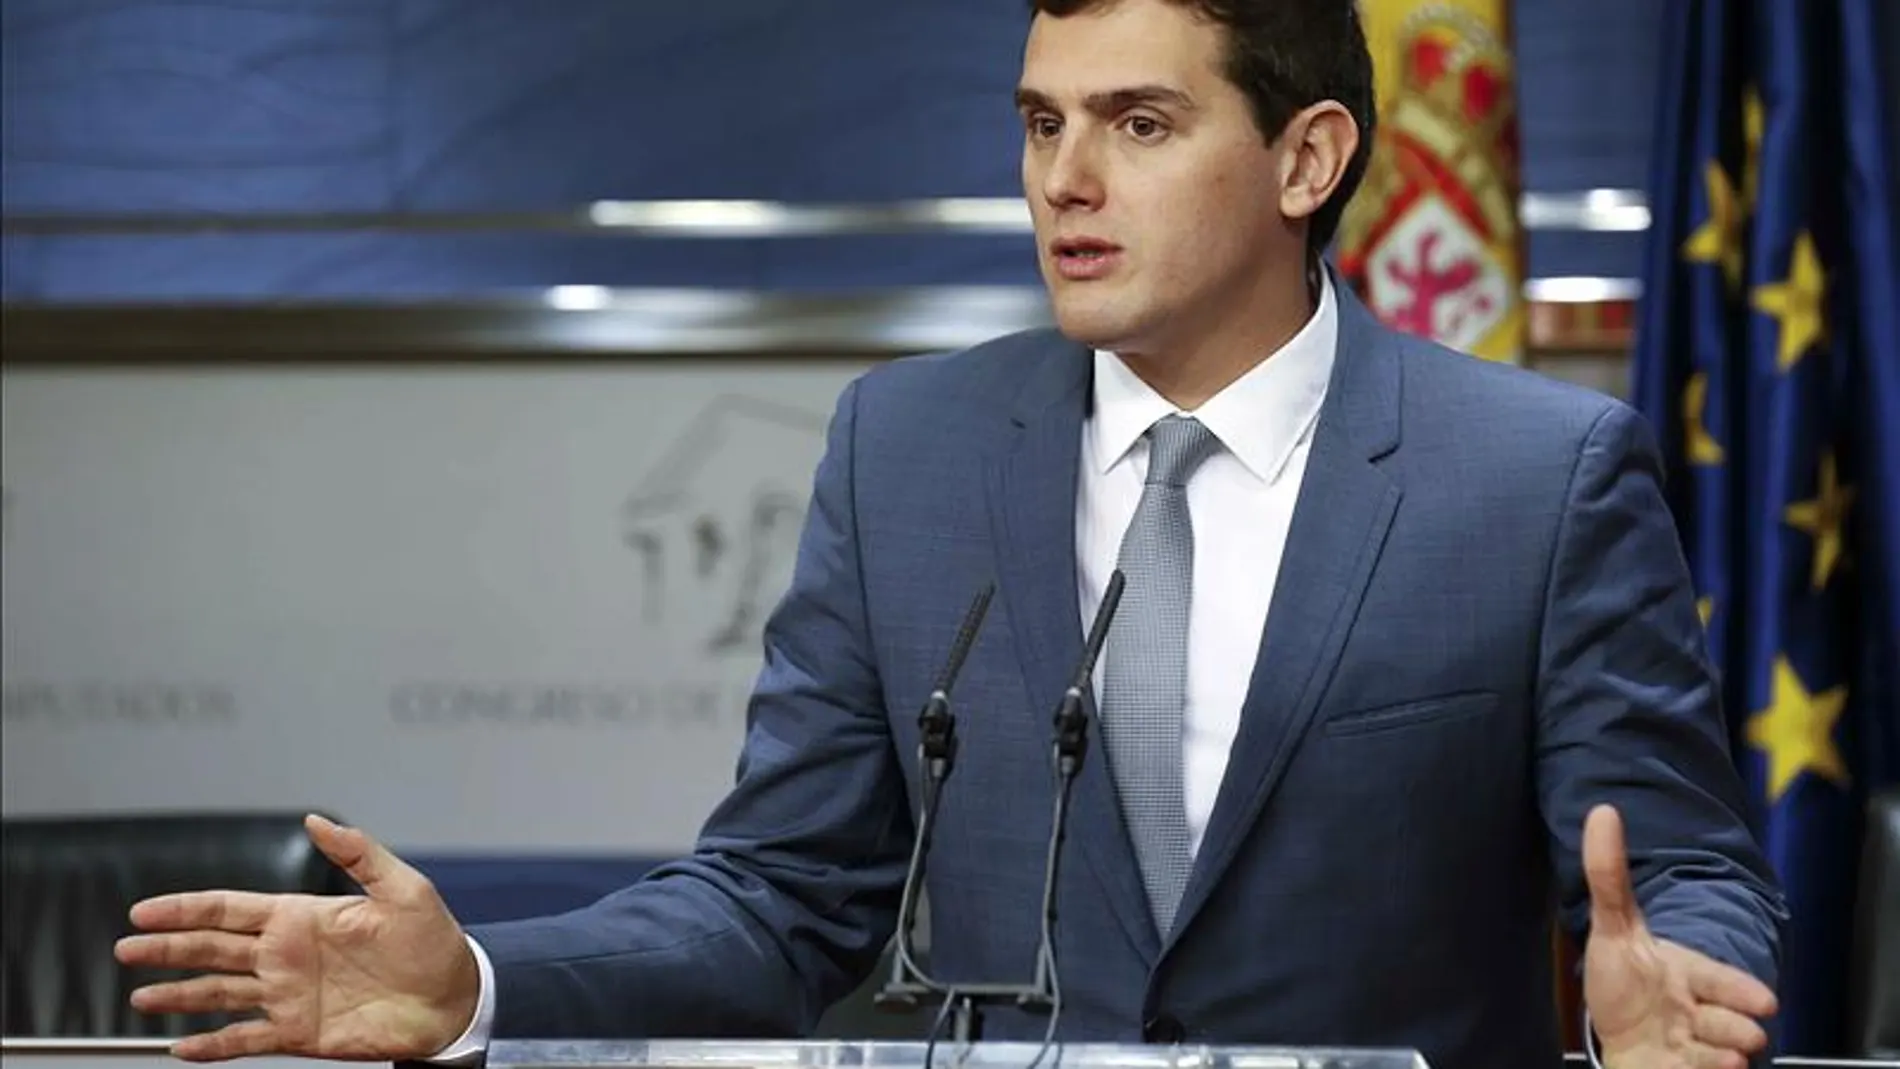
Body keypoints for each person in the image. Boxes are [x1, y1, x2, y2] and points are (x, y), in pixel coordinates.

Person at [114, 1, 1788, 1066]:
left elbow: (1687, 871)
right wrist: (480, 984)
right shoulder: (903, 449)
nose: (1065, 178)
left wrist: (1681, 1009)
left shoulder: (1537, 475)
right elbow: (779, 899)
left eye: (1138, 124)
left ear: (1308, 156)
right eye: (1041, 121)